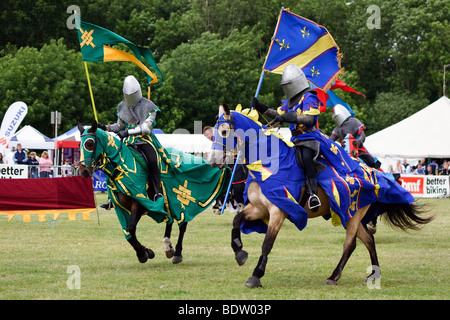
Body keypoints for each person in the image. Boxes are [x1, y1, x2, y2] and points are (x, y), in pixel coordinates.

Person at [251, 64, 325, 212]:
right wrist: (261, 107)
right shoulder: (289, 102)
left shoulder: (310, 97)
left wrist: (289, 117)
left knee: (306, 157)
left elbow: (309, 119)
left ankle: (313, 195)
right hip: (294, 140)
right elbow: (277, 114)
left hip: (309, 138)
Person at [99, 75, 162, 201]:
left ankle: (156, 192)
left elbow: (146, 128)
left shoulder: (149, 106)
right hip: (127, 142)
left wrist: (128, 132)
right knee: (111, 162)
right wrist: (106, 127)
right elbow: (119, 126)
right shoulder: (122, 106)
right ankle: (112, 196)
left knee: (152, 161)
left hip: (144, 140)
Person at [330, 104, 381, 169]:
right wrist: (323, 137)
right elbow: (330, 140)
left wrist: (359, 141)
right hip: (345, 151)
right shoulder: (337, 129)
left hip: (358, 149)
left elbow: (362, 135)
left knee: (370, 162)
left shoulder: (354, 121)